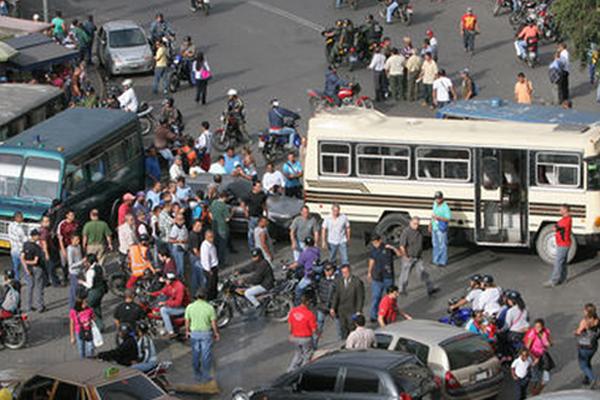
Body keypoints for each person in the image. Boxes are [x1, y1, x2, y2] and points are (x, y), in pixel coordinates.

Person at [185, 288, 220, 384]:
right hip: (206, 334)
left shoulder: (190, 307)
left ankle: (197, 375)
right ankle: (206, 376)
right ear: (205, 297)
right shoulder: (209, 307)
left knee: (196, 355)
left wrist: (187, 331)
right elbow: (213, 323)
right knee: (205, 355)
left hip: (194, 334)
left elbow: (187, 321)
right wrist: (216, 333)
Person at [398, 217, 439, 297]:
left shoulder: (419, 231)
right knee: (405, 275)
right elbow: (402, 246)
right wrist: (406, 256)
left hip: (418, 257)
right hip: (409, 257)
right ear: (410, 223)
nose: (416, 226)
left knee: (423, 273)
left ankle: (430, 289)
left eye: (418, 224)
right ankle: (401, 290)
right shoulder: (406, 232)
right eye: (415, 224)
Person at [368, 234, 397, 322]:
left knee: (390, 297)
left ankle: (390, 313)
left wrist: (393, 248)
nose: (374, 244)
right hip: (377, 277)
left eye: (376, 242)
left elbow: (400, 254)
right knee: (376, 296)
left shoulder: (388, 248)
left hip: (388, 276)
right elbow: (371, 260)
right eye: (373, 243)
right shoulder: (373, 250)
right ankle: (374, 315)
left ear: (380, 240)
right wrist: (369, 272)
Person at [331, 264, 364, 339]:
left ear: (350, 271)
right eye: (343, 273)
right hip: (341, 310)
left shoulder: (357, 282)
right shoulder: (339, 281)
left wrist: (359, 310)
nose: (345, 274)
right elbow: (336, 295)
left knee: (352, 328)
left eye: (346, 272)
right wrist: (333, 307)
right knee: (343, 328)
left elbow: (360, 297)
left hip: (352, 309)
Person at [151, 272, 190, 338]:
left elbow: (178, 303)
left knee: (163, 310)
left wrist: (165, 303)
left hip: (183, 307)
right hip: (175, 305)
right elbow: (162, 292)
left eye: (166, 280)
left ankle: (171, 332)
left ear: (171, 280)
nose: (165, 281)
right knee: (157, 307)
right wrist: (150, 294)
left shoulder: (179, 287)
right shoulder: (170, 285)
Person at [287, 294, 317, 372]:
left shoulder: (293, 311)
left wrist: (290, 334)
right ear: (307, 302)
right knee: (307, 355)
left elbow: (290, 325)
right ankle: (303, 371)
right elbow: (314, 329)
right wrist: (319, 334)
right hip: (305, 338)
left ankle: (291, 370)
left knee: (298, 354)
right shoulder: (309, 314)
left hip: (295, 337)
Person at [545, 204, 572, 287]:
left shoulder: (566, 220)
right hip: (564, 243)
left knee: (558, 262)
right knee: (563, 262)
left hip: (563, 244)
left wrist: (556, 227)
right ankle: (563, 278)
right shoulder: (566, 219)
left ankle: (554, 281)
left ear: (565, 210)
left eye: (561, 209)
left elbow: (555, 228)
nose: (559, 211)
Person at [524, 319, 552, 395]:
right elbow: (527, 348)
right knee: (535, 378)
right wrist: (534, 358)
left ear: (543, 326)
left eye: (539, 326)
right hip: (534, 357)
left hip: (543, 356)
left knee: (546, 379)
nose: (537, 328)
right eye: (536, 326)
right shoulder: (532, 333)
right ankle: (530, 393)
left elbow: (550, 342)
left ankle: (536, 393)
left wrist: (549, 344)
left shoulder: (546, 332)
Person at [288, 237, 321, 302]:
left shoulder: (305, 253)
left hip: (309, 275)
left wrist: (289, 266)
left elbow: (298, 264)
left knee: (298, 289)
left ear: (305, 244)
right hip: (316, 273)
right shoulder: (317, 250)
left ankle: (297, 304)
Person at [79, 254, 107, 331]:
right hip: (101, 290)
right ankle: (101, 325)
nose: (85, 263)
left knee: (89, 307)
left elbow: (89, 285)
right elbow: (104, 276)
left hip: (94, 291)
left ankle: (98, 325)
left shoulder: (90, 271)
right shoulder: (100, 267)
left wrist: (82, 282)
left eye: (86, 261)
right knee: (97, 307)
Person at [575, 303, 600, 386]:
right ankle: (587, 378)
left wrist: (576, 332)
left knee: (583, 365)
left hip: (584, 347)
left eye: (584, 310)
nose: (583, 311)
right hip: (594, 346)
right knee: (588, 361)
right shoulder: (597, 320)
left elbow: (578, 332)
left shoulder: (585, 322)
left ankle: (592, 379)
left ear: (587, 312)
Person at [21, 230, 45, 313]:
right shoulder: (37, 248)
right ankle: (40, 307)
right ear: (34, 236)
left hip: (28, 269)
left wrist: (26, 268)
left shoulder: (25, 244)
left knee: (30, 287)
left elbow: (22, 257)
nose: (39, 237)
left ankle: (29, 306)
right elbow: (35, 261)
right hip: (37, 268)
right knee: (39, 287)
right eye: (38, 235)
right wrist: (27, 262)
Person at [241, 180, 267, 249]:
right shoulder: (249, 195)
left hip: (260, 216)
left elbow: (264, 204)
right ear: (254, 187)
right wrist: (245, 212)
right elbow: (243, 203)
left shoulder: (262, 195)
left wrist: (266, 213)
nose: (260, 188)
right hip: (252, 216)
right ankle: (252, 247)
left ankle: (259, 246)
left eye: (260, 186)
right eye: (258, 186)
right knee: (251, 232)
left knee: (260, 232)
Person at [315, 262, 337, 341]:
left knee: (340, 327)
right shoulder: (321, 280)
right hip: (323, 306)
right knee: (318, 327)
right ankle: (314, 346)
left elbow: (337, 295)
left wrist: (333, 307)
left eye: (329, 270)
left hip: (334, 307)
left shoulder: (337, 280)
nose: (327, 272)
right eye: (325, 270)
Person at [430, 191, 451, 267]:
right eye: (436, 198)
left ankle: (442, 261)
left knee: (442, 245)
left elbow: (448, 218)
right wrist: (430, 224)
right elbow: (432, 214)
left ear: (442, 198)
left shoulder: (445, 207)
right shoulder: (435, 204)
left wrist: (439, 218)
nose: (437, 200)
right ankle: (435, 260)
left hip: (441, 227)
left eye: (439, 198)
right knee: (435, 244)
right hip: (434, 227)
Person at [209, 193, 231, 266]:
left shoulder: (214, 202)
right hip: (222, 227)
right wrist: (232, 213)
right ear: (224, 197)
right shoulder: (224, 206)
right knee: (222, 247)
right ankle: (221, 263)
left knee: (215, 245)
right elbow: (227, 219)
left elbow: (210, 214)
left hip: (214, 227)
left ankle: (214, 261)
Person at [200, 230, 219, 301]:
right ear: (206, 237)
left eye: (212, 237)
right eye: (210, 237)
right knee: (210, 287)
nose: (212, 239)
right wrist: (209, 270)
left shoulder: (211, 244)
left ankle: (214, 299)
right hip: (210, 269)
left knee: (214, 285)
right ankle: (209, 300)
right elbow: (205, 259)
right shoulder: (205, 246)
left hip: (214, 267)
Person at [8, 211, 27, 281]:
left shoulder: (10, 225)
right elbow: (24, 239)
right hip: (20, 249)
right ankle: (27, 279)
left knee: (15, 266)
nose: (23, 218)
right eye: (21, 217)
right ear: (17, 218)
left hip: (13, 249)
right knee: (25, 266)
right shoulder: (19, 228)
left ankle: (17, 279)